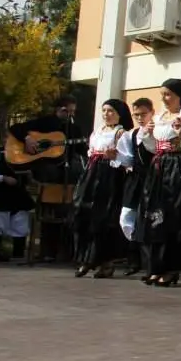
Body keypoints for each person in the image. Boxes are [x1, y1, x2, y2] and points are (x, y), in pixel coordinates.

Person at [135, 78, 181, 286]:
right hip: (158, 166)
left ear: (179, 96)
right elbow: (152, 147)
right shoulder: (160, 116)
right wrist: (146, 134)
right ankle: (155, 267)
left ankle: (171, 268)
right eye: (162, 94)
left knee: (173, 216)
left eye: (168, 94)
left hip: (177, 166)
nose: (164, 99)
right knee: (154, 215)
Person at [71, 99, 134, 278]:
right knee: (84, 212)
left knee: (103, 217)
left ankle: (104, 262)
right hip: (92, 172)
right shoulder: (98, 131)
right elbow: (91, 150)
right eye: (104, 111)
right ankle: (85, 259)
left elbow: (127, 158)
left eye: (111, 111)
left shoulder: (121, 133)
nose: (106, 114)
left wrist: (115, 155)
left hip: (110, 175)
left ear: (120, 114)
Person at [117, 97, 155, 277]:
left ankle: (147, 263)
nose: (140, 118)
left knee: (148, 220)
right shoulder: (130, 135)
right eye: (136, 115)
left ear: (151, 113)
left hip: (153, 179)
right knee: (126, 217)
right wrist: (116, 159)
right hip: (135, 179)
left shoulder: (156, 132)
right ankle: (134, 257)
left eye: (143, 114)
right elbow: (126, 159)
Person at [0, 148, 34, 260]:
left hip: (20, 196)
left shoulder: (28, 152)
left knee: (21, 227)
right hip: (0, 196)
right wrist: (3, 178)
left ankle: (18, 256)